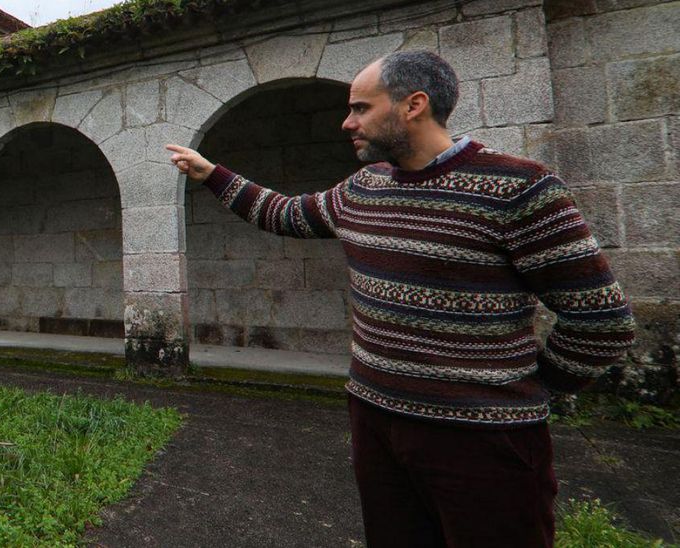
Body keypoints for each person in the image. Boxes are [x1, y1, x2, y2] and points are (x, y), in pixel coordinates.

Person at [166, 51, 636, 547]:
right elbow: (287, 214)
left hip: (484, 440)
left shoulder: (518, 188)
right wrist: (211, 173)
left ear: (414, 105)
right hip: (377, 422)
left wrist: (528, 389)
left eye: (361, 108)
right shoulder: (365, 187)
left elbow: (602, 322)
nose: (348, 122)